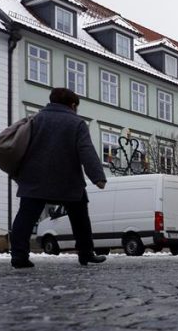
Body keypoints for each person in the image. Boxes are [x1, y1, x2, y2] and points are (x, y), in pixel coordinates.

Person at [10, 88, 107, 268]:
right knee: (80, 218)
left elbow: (20, 145)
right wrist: (98, 177)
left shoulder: (34, 119)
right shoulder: (77, 123)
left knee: (25, 217)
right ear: (72, 105)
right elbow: (86, 151)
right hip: (67, 180)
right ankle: (86, 253)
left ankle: (18, 255)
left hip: (34, 178)